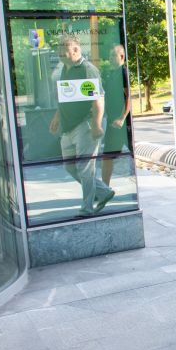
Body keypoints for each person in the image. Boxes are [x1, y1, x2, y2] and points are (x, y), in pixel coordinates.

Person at [49, 35, 114, 217]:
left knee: (85, 169)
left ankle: (87, 209)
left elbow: (98, 99)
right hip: (68, 127)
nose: (60, 53)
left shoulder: (87, 69)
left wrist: (96, 124)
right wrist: (57, 117)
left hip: (86, 124)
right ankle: (104, 192)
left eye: (64, 50)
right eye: (59, 49)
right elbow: (66, 97)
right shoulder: (65, 68)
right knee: (70, 166)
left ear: (76, 50)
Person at [101, 44, 131, 186]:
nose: (110, 59)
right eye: (110, 56)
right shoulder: (111, 74)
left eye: (113, 55)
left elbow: (129, 97)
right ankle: (105, 188)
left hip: (123, 124)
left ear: (122, 56)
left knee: (133, 153)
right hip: (112, 123)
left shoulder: (124, 72)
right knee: (107, 156)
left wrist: (122, 117)